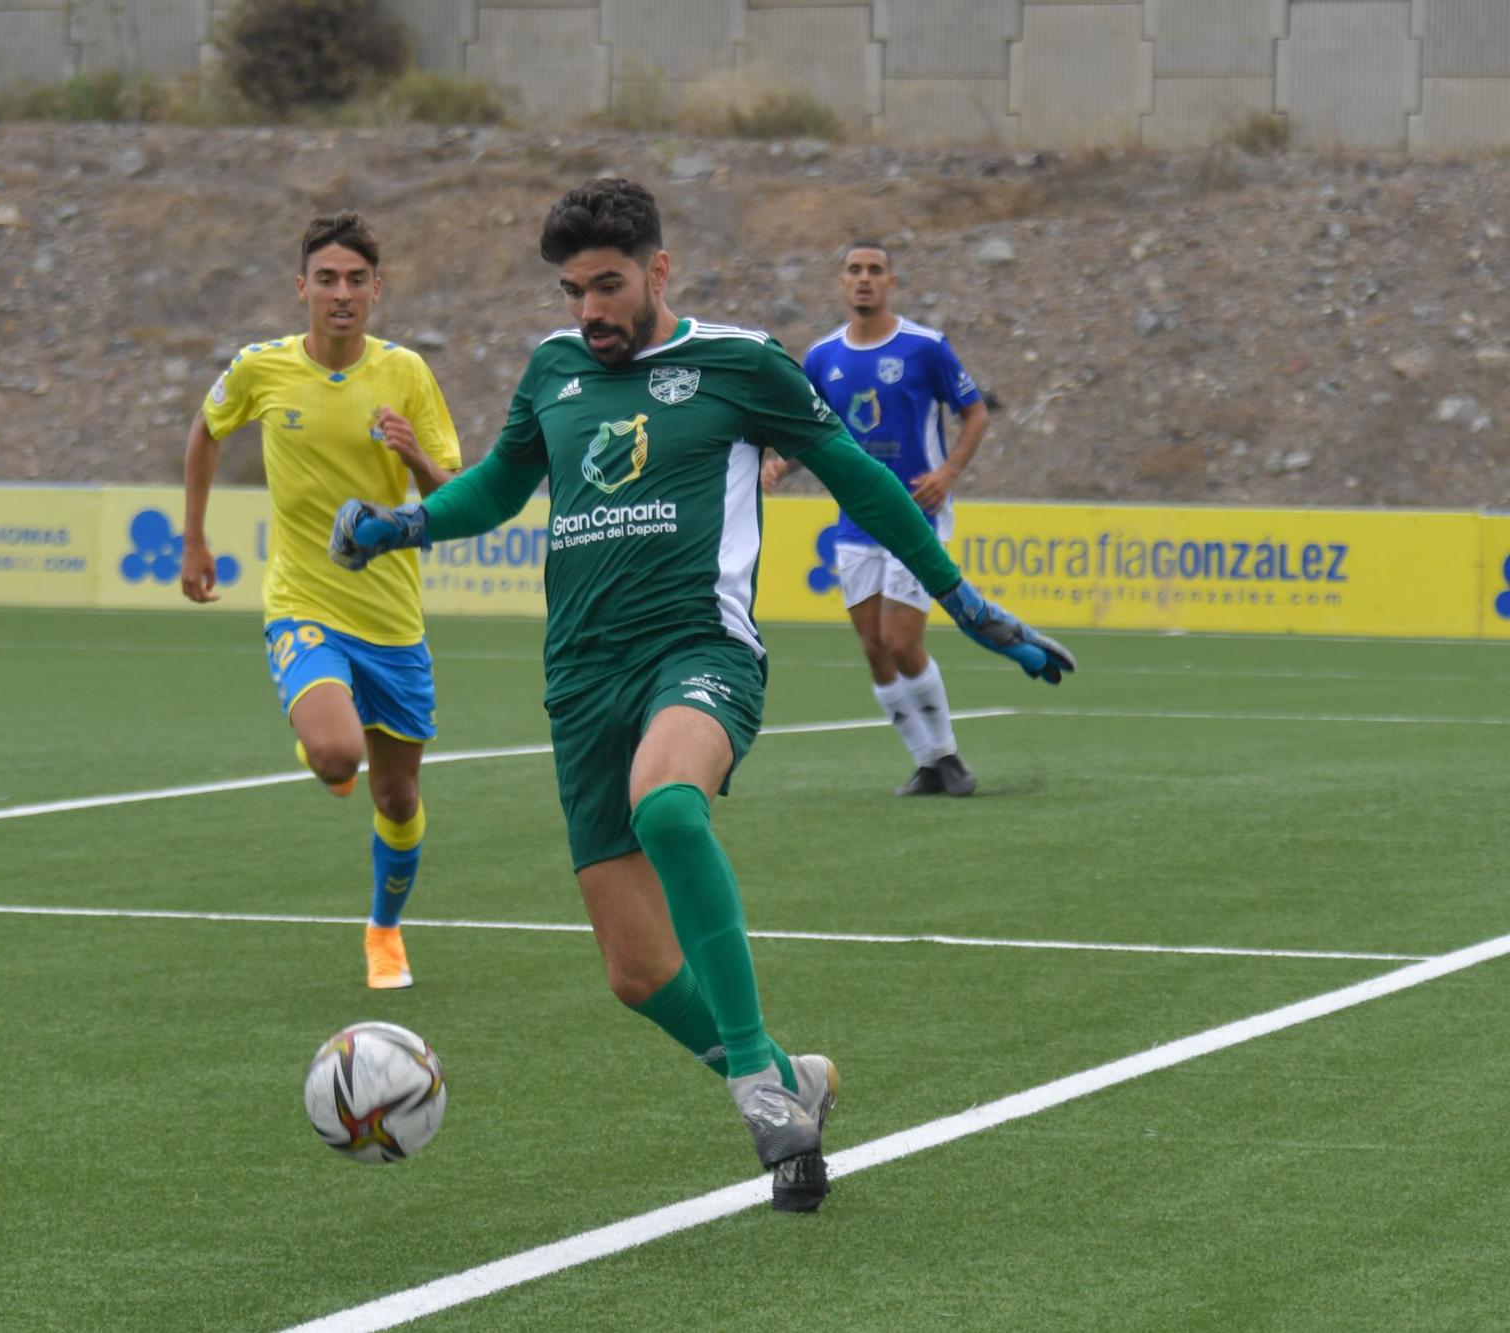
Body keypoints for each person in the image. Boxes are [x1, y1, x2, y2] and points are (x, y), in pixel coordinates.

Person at [329, 180, 1072, 1212]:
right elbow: (500, 487)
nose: (587, 311)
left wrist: (963, 600)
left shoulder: (737, 363)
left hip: (697, 648)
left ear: (658, 271)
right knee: (634, 975)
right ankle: (782, 1072)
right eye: (571, 290)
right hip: (578, 679)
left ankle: (759, 1088)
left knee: (668, 805)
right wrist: (399, 525)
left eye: (607, 285)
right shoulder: (551, 369)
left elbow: (854, 474)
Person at [180, 211, 462, 991]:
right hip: (302, 601)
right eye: (327, 279)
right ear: (301, 288)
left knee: (398, 795)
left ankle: (384, 929)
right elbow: (206, 432)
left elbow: (458, 493)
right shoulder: (259, 368)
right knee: (338, 750)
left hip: (394, 622)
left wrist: (413, 456)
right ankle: (323, 745)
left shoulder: (406, 373)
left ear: (378, 289)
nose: (342, 294)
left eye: (357, 280)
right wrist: (193, 539)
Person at [768, 242, 991, 796]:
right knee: (873, 649)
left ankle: (949, 756)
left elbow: (976, 410)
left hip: (917, 514)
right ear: (840, 283)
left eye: (875, 270)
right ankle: (926, 763)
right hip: (854, 521)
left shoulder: (924, 347)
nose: (864, 279)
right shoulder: (821, 357)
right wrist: (781, 465)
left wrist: (949, 474)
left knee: (900, 640)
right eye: (854, 271)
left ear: (892, 280)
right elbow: (812, 433)